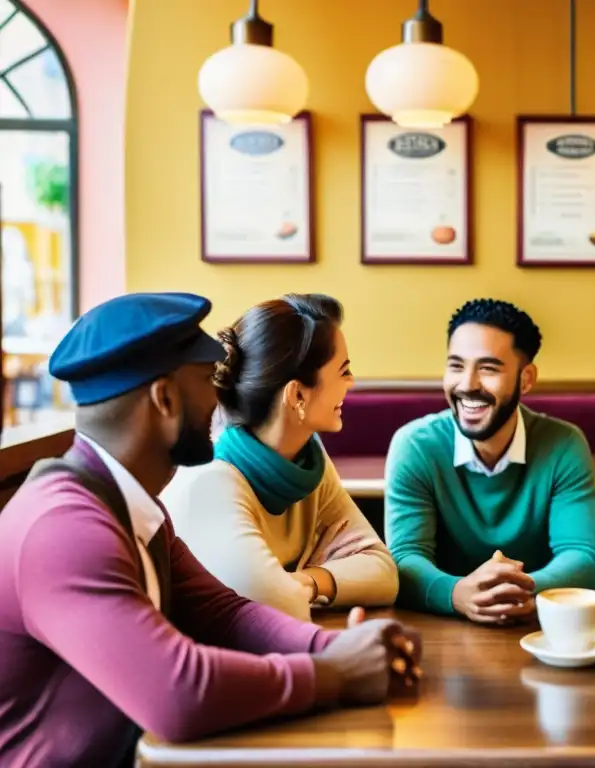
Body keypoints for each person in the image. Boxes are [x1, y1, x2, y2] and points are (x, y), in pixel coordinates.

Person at [0, 293, 421, 768]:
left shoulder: (131, 506)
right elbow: (177, 693)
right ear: (164, 399)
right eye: (207, 382)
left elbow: (224, 612)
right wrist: (336, 673)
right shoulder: (63, 528)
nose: (222, 401)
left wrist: (339, 646)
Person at [162, 294, 397, 621]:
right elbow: (275, 605)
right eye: (343, 371)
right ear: (298, 394)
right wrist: (315, 582)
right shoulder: (211, 480)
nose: (351, 383)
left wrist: (306, 582)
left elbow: (383, 572)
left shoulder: (308, 461)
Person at [385, 298, 595, 624]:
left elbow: (583, 561)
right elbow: (405, 560)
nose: (467, 384)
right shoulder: (415, 446)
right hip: (440, 628)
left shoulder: (564, 445)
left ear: (526, 379)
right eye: (456, 366)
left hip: (538, 628)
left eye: (488, 368)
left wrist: (517, 590)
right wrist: (458, 593)